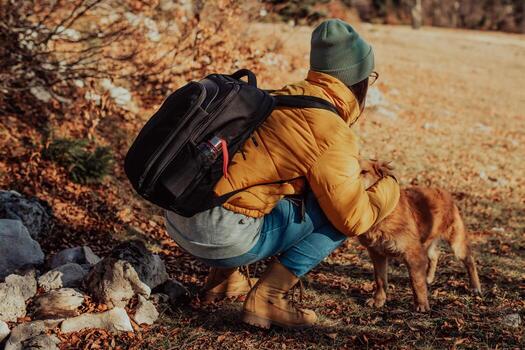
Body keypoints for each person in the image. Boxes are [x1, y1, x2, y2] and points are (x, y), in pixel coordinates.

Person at [165, 19, 400, 329]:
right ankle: (268, 299)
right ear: (357, 80)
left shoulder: (280, 97)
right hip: (218, 236)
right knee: (337, 213)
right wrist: (390, 188)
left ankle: (224, 280)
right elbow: (352, 219)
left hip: (179, 218)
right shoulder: (330, 129)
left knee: (271, 186)